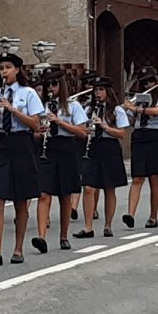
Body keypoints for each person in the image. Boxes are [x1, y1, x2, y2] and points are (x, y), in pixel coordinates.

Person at [0, 52, 45, 266]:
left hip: (22, 144)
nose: (4, 72)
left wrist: (13, 110)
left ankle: (18, 249)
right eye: (2, 68)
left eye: (8, 67)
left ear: (17, 69)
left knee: (21, 200)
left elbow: (36, 124)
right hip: (1, 143)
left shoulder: (27, 93)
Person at [33, 71, 89, 253]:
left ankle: (64, 235)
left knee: (64, 195)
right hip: (47, 149)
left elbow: (82, 132)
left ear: (61, 86)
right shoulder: (41, 106)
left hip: (66, 149)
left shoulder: (72, 106)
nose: (51, 88)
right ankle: (41, 236)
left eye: (54, 84)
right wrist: (38, 132)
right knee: (43, 193)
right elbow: (33, 130)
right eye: (48, 85)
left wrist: (59, 122)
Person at [75, 77, 129, 238]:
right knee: (89, 187)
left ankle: (108, 225)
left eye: (101, 90)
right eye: (96, 90)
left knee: (109, 187)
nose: (97, 93)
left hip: (109, 148)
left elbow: (122, 133)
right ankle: (88, 226)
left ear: (108, 92)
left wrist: (104, 126)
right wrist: (87, 131)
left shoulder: (116, 110)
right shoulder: (89, 110)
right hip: (93, 147)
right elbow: (82, 129)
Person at [121, 71, 158, 230]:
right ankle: (130, 214)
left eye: (151, 81)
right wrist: (125, 110)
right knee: (137, 177)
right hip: (139, 136)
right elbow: (131, 120)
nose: (148, 85)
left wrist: (137, 109)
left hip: (155, 136)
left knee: (154, 177)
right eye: (145, 83)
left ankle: (153, 216)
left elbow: (157, 111)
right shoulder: (137, 98)